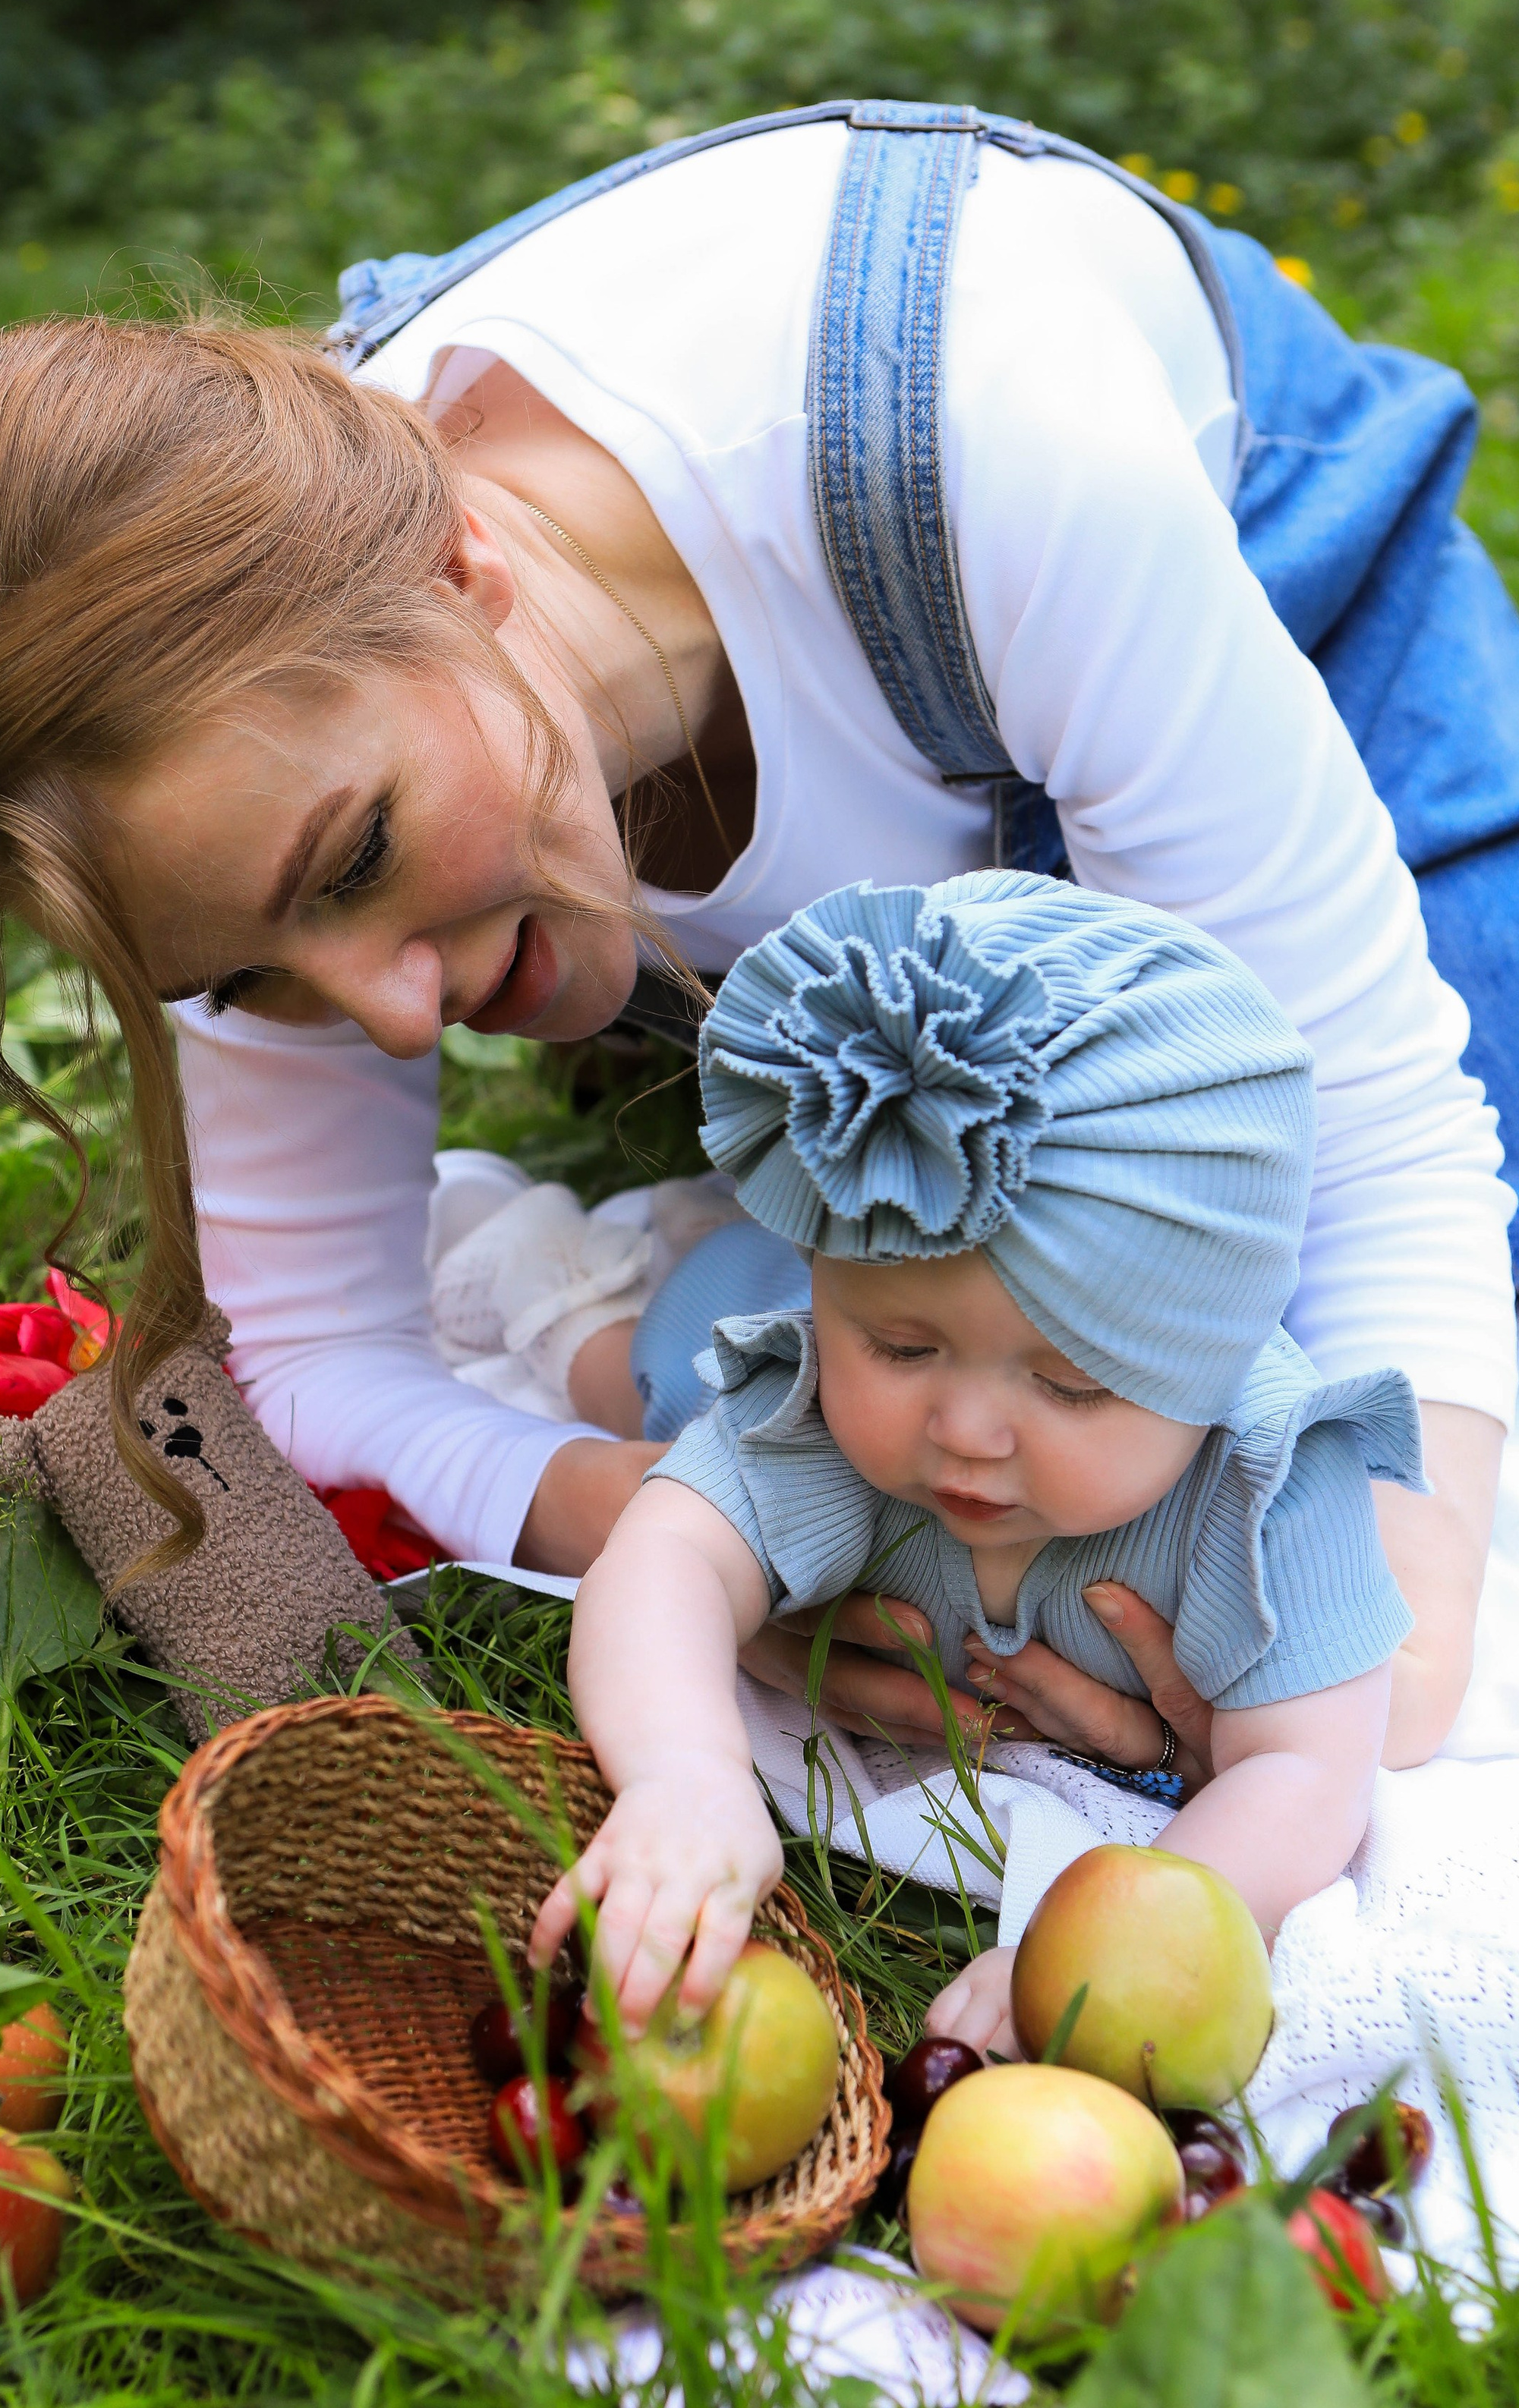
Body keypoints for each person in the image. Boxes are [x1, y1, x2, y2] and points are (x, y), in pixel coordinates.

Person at [0, 99, 1519, 1774]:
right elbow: (309, 1359)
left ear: (460, 561)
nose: (385, 1021)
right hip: (747, 780)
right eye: (249, 978)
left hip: (1267, 552)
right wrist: (690, 1537)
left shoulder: (997, 435)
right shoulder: (220, 767)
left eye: (359, 855)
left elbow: (1375, 1116)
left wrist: (1375, 1642)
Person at [530, 873, 1425, 2036]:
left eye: (1067, 1384)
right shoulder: (819, 1416)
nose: (967, 1430)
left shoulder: (1267, 1485)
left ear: (1214, 1364)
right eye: (901, 1348)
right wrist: (684, 1776)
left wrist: (1096, 1951)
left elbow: (1305, 1775)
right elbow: (664, 1562)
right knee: (638, 1374)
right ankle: (561, 1284)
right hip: (714, 1304)